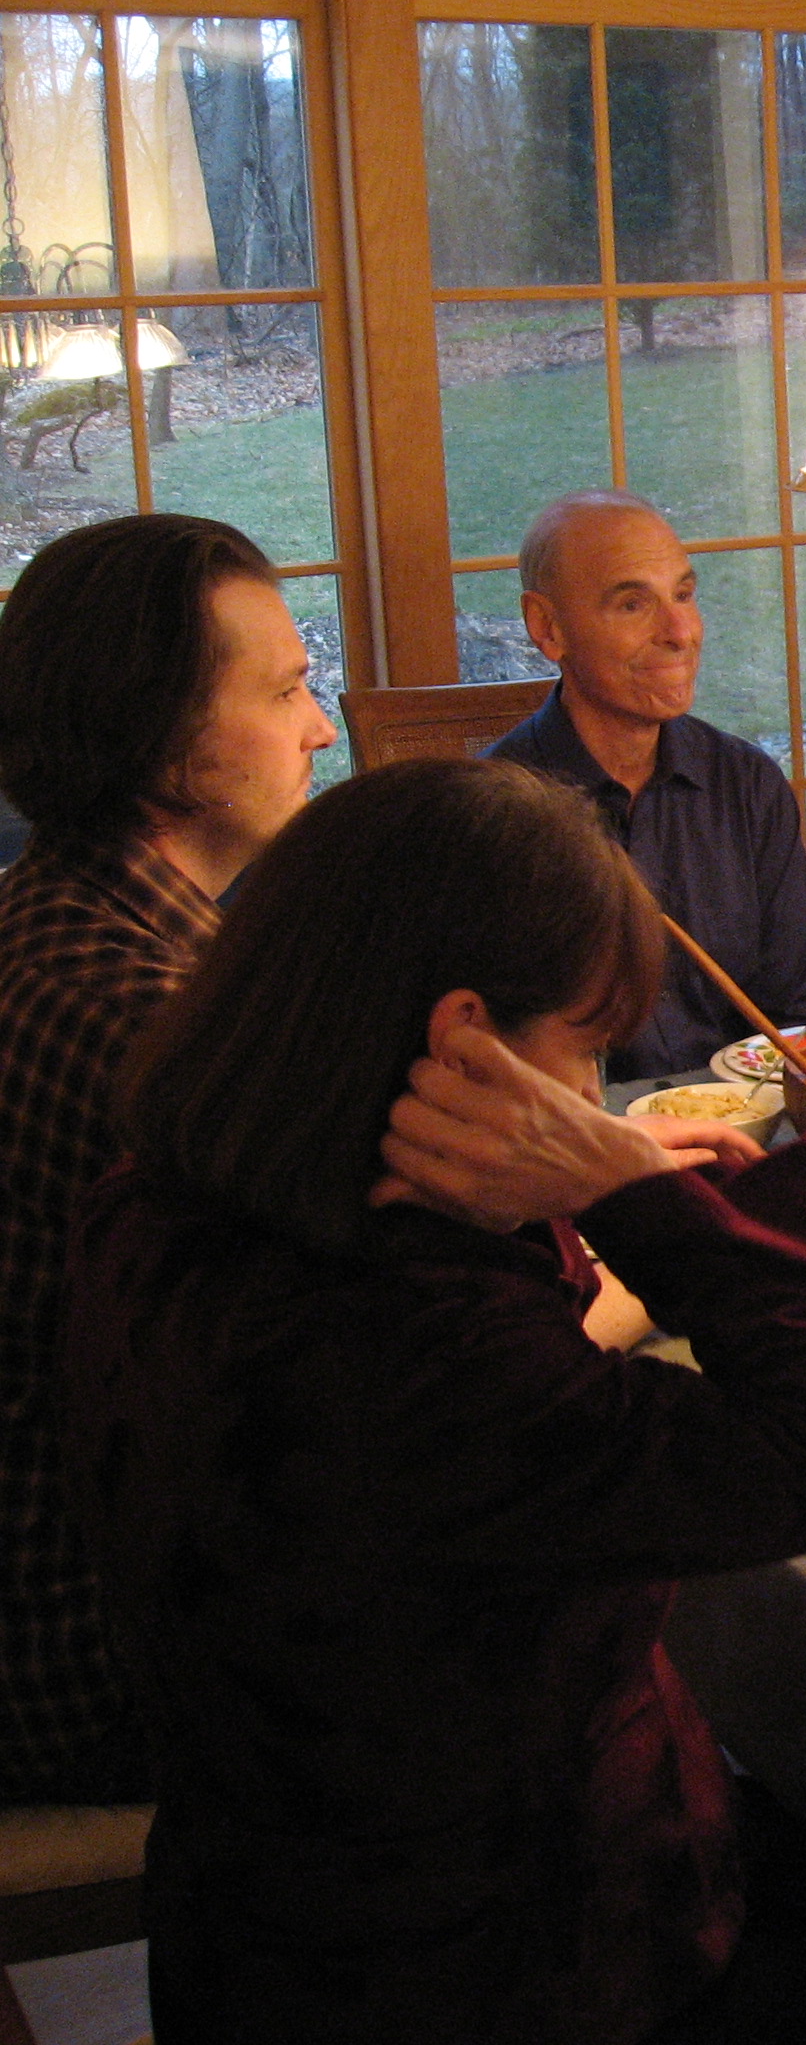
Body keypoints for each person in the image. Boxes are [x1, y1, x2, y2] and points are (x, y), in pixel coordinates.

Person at [61, 757, 806, 2042]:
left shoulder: (157, 1202)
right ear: (467, 1037)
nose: (593, 1099)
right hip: (525, 1966)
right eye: (584, 1053)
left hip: (255, 1931)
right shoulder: (414, 1349)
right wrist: (634, 1193)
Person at [0, 512, 335, 1807]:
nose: (320, 729)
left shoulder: (60, 911)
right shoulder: (134, 1014)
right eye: (289, 691)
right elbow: (350, 1367)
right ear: (171, 745)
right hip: (90, 1655)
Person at [491, 488, 806, 1080]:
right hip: (583, 1151)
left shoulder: (748, 786)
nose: (681, 631)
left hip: (756, 1135)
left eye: (683, 594)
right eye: (633, 604)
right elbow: (493, 1063)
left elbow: (798, 1018)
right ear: (548, 629)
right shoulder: (497, 819)